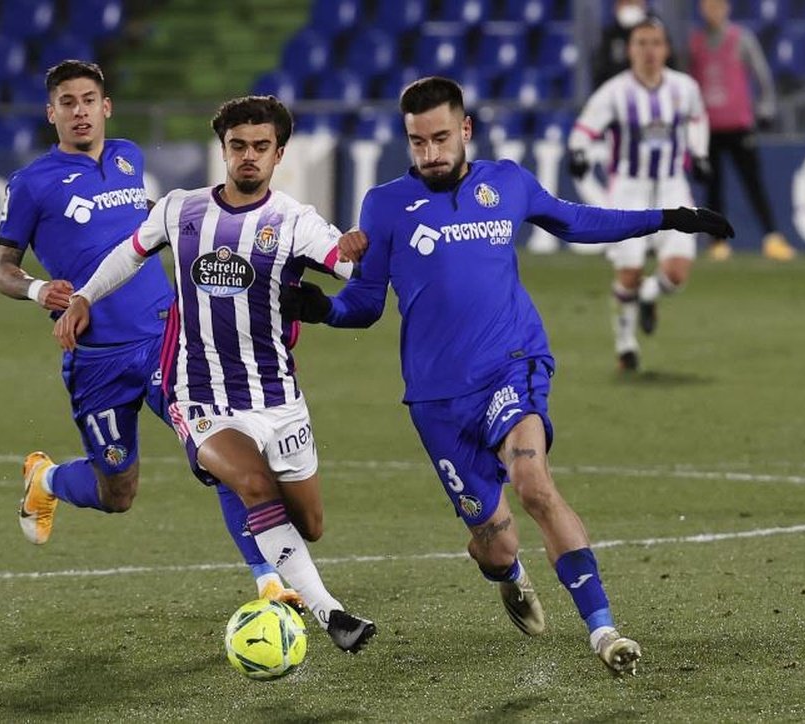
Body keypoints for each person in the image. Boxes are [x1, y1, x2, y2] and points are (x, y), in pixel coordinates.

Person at [280, 76, 733, 674]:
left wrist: (667, 218)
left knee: (534, 483)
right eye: (418, 142)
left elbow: (575, 220)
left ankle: (604, 631)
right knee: (496, 542)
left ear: (465, 129)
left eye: (441, 137)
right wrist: (322, 309)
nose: (431, 153)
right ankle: (506, 572)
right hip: (437, 396)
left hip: (510, 364)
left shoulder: (507, 183)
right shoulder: (385, 205)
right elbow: (365, 303)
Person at [52, 95, 377, 653]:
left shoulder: (293, 221)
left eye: (260, 147)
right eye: (237, 146)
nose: (248, 157)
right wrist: (84, 296)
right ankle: (332, 615)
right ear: (223, 149)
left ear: (279, 154)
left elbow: (349, 266)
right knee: (250, 485)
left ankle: (291, 574)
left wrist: (355, 248)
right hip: (198, 394)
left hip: (277, 397)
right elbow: (128, 255)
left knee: (312, 524)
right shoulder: (181, 210)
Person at [0, 61, 298, 607]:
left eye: (89, 99)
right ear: (51, 113)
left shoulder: (129, 157)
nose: (80, 110)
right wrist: (40, 292)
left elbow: (150, 222)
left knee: (220, 453)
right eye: (68, 102)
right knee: (118, 492)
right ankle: (48, 481)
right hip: (97, 358)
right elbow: (2, 269)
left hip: (166, 341)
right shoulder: (33, 182)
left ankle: (268, 580)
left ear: (105, 106)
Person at [569, 18, 712, 372]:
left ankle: (650, 296)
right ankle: (625, 344)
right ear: (630, 49)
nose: (649, 50)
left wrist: (700, 152)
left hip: (671, 185)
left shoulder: (684, 88)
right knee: (629, 273)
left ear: (666, 48)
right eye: (641, 43)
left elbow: (697, 119)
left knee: (676, 273)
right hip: (629, 191)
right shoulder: (615, 92)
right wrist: (579, 153)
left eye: (655, 43)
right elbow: (583, 130)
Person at [689, 0, 796, 261]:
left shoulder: (741, 39)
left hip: (739, 125)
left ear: (726, 8)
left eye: (716, 6)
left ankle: (772, 237)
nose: (712, 11)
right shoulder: (695, 43)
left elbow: (762, 75)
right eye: (707, 6)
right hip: (709, 127)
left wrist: (766, 108)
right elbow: (688, 85)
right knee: (713, 187)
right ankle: (716, 242)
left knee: (754, 185)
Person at [591, 0, 675, 88]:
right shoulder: (610, 34)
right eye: (625, 2)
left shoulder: (656, 29)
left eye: (632, 2)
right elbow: (601, 71)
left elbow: (670, 63)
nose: (629, 6)